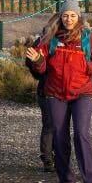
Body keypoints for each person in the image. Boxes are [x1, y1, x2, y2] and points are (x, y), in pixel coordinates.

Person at [26, 0, 92, 183]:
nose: (69, 19)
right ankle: (66, 182)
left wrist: (86, 67)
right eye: (65, 15)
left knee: (81, 134)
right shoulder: (50, 38)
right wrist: (37, 61)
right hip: (55, 94)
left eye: (73, 15)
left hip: (82, 93)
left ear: (78, 16)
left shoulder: (89, 39)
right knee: (59, 136)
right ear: (60, 16)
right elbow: (41, 68)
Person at [26, 14, 61, 172]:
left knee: (54, 125)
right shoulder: (43, 41)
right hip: (47, 89)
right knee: (50, 125)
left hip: (57, 89)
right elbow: (31, 62)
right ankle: (48, 157)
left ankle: (52, 156)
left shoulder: (42, 40)